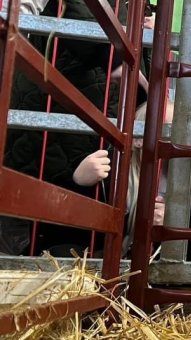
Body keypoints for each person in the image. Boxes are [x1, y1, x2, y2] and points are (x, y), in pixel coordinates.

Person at [1, 0, 145, 257]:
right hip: (57, 116)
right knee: (36, 223)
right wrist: (112, 56)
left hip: (91, 123)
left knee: (82, 223)